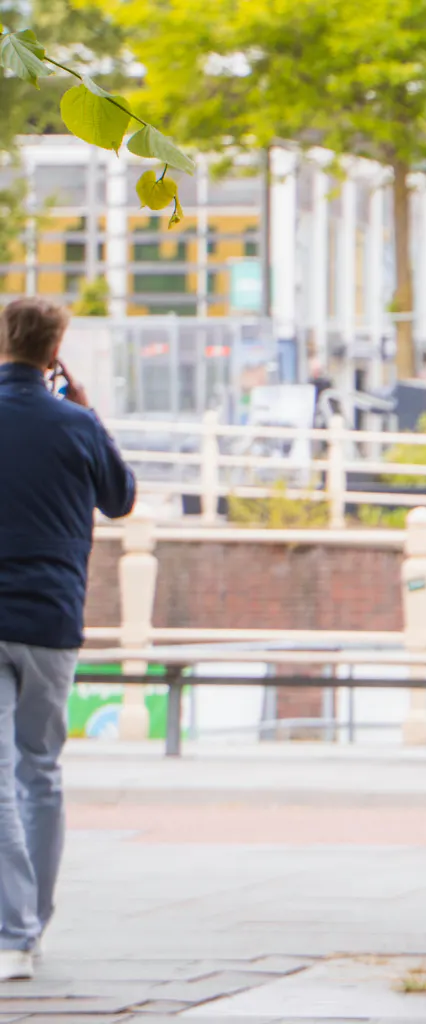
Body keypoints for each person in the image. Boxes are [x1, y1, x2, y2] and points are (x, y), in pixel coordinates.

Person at [0, 298, 134, 982]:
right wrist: (89, 412)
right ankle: (31, 930)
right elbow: (120, 499)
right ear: (56, 351)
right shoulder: (76, 423)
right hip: (51, 621)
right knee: (40, 771)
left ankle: (12, 931)